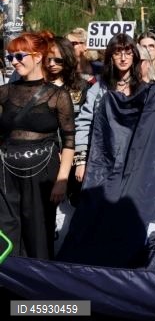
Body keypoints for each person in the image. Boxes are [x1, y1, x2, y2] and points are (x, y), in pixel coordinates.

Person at [0, 31, 75, 259]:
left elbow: (69, 140)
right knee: (6, 232)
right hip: (5, 172)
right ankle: (7, 288)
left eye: (20, 55)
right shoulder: (4, 92)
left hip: (42, 173)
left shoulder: (58, 95)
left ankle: (37, 292)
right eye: (10, 56)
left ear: (38, 56)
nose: (14, 61)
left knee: (38, 234)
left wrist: (62, 181)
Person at [75, 34, 145, 185]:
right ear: (110, 56)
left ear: (134, 55)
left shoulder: (143, 87)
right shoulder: (99, 87)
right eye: (117, 52)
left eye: (128, 52)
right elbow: (84, 122)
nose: (123, 58)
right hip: (102, 160)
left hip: (135, 160)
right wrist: (81, 162)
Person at [45, 36, 88, 185]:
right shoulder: (39, 87)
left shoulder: (81, 86)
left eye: (58, 60)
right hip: (47, 157)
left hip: (76, 158)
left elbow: (84, 123)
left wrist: (78, 158)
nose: (52, 64)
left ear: (67, 59)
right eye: (48, 59)